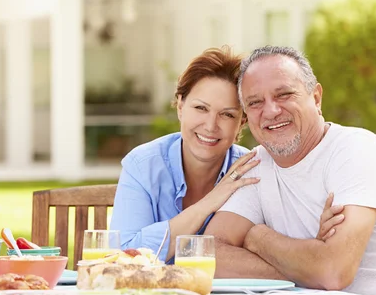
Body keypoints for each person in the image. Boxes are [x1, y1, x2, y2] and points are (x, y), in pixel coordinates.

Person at [204, 45, 376, 295]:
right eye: (255, 102)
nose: (271, 110)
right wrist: (307, 263)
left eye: (285, 94)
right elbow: (207, 256)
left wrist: (257, 237)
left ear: (316, 98)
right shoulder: (258, 164)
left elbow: (332, 272)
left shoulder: (355, 151)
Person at [110, 46, 339, 263]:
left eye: (227, 115)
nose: (210, 126)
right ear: (180, 106)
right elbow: (123, 255)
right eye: (201, 108)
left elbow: (274, 248)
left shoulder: (250, 169)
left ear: (242, 122)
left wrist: (314, 241)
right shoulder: (143, 165)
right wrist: (209, 203)